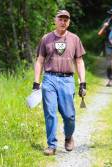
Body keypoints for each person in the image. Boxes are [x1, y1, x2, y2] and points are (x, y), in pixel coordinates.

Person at [33, 10, 86, 156]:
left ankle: (68, 137)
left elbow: (79, 61)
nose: (63, 22)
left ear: (69, 22)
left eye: (66, 20)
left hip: (67, 80)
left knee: (69, 116)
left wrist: (83, 82)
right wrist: (36, 82)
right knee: (50, 112)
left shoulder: (74, 39)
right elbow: (40, 61)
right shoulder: (46, 39)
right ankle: (51, 145)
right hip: (49, 78)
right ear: (55, 20)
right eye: (60, 19)